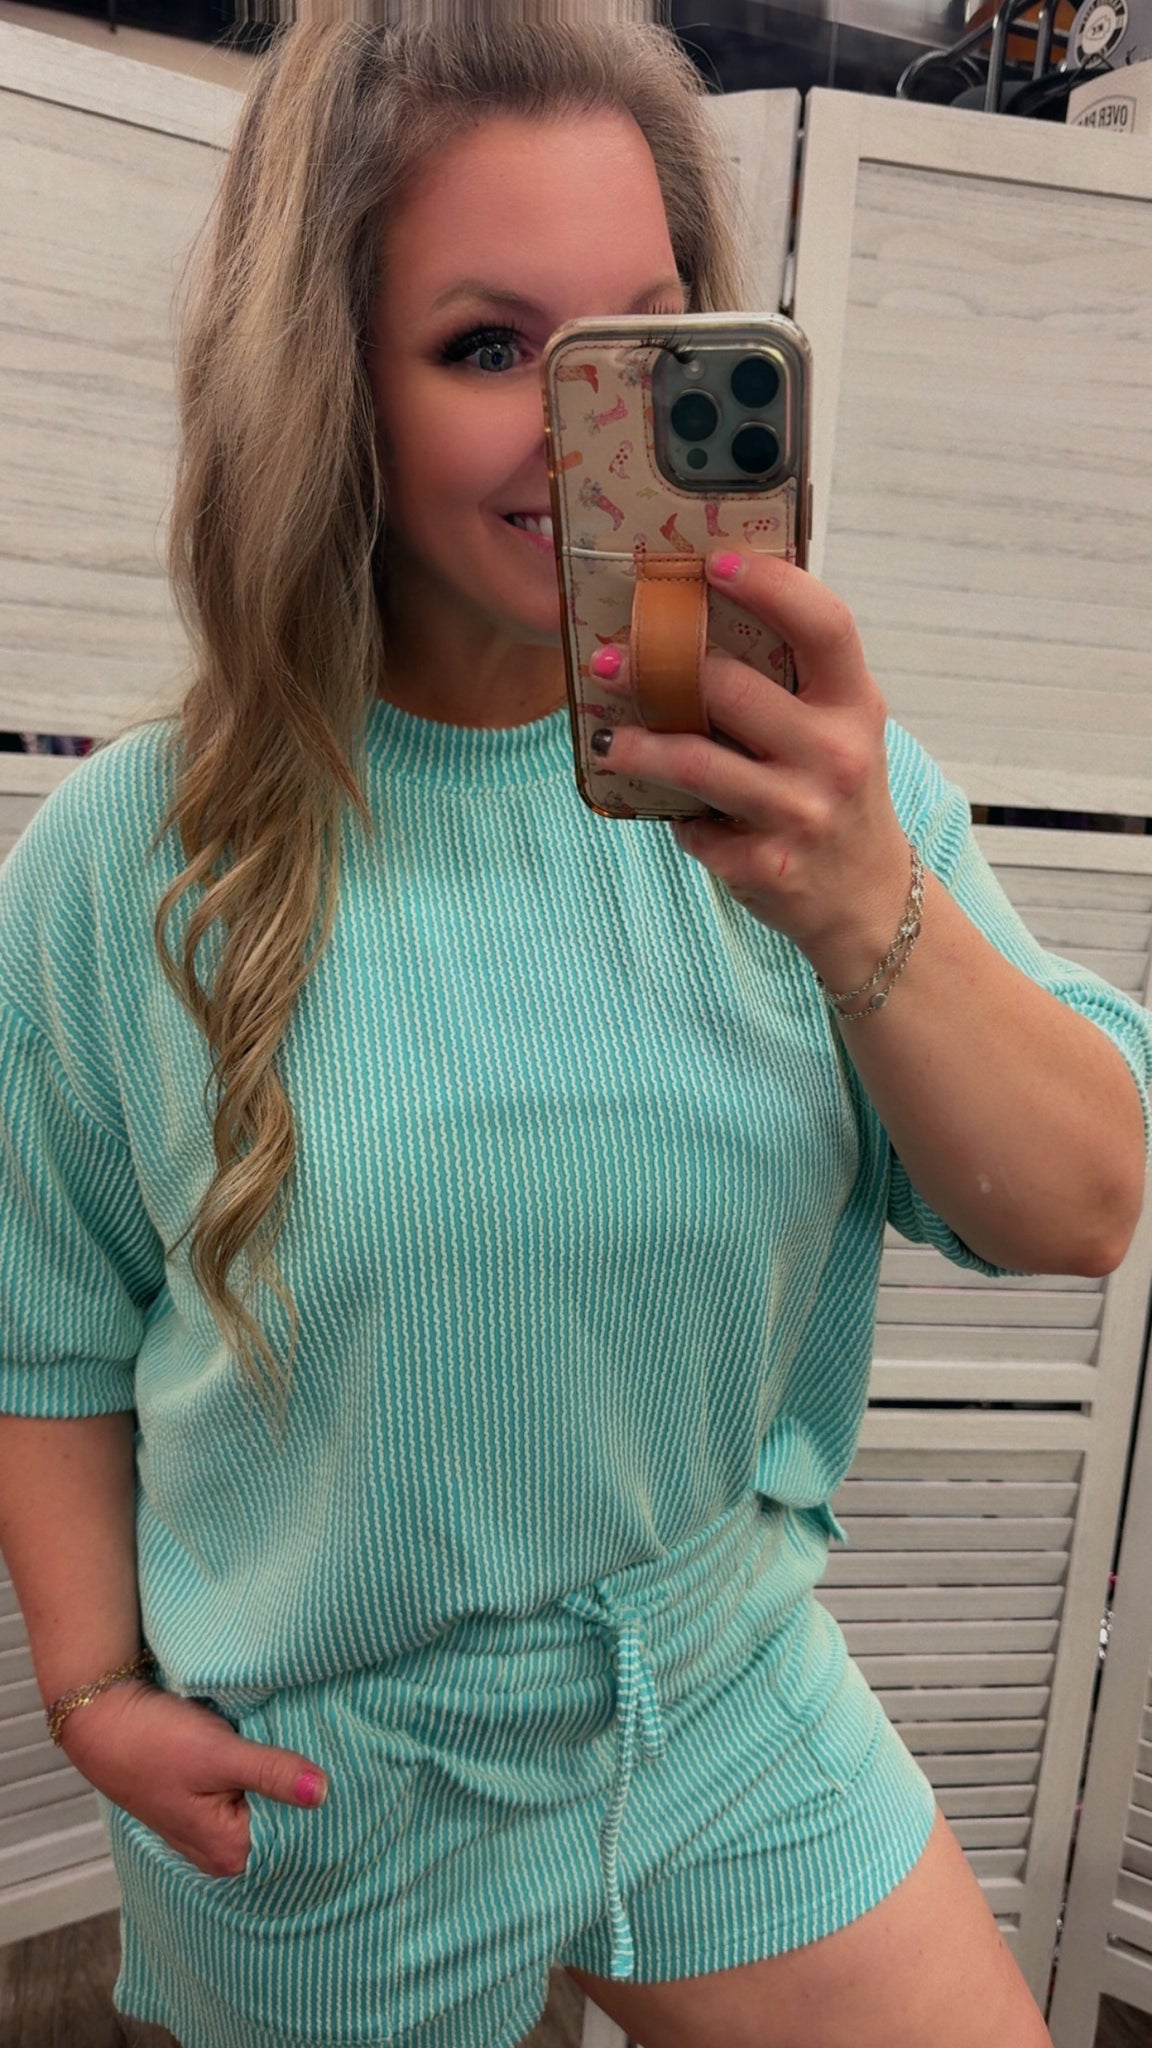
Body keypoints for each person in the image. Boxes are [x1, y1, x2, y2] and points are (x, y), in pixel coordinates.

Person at [0, 16, 1149, 2048]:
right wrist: (94, 1690)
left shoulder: (820, 798)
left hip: (713, 1685)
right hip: (333, 1776)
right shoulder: (126, 866)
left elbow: (1082, 1207)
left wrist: (856, 897)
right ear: (328, 387)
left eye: (638, 340)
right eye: (484, 346)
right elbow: (47, 1322)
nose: (579, 426)